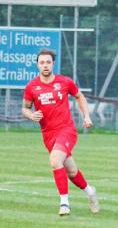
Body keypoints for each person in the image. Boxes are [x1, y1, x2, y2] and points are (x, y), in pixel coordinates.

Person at [22, 49, 99, 216]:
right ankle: (90, 192)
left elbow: (80, 97)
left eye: (48, 62)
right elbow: (25, 108)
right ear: (37, 65)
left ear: (53, 64)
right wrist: (31, 115)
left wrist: (86, 116)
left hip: (66, 130)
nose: (45, 65)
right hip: (48, 134)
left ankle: (64, 203)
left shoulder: (64, 82)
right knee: (71, 171)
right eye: (42, 62)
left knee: (55, 160)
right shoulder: (32, 87)